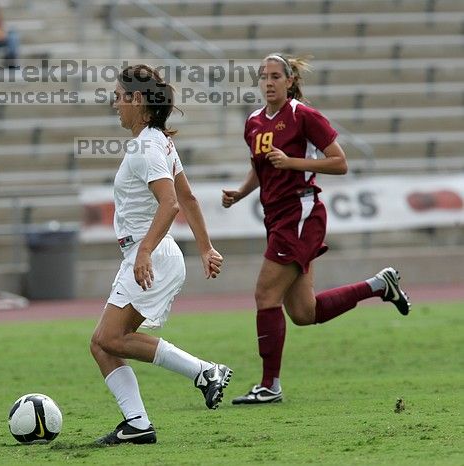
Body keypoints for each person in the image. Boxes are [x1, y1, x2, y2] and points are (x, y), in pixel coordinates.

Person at [221, 53, 412, 405]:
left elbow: (340, 162)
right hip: (276, 217)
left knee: (265, 295)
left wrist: (293, 162)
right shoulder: (254, 122)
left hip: (301, 213)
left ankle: (269, 385)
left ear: (290, 80)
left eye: (276, 76)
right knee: (304, 313)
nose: (268, 82)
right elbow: (260, 168)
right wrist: (241, 191)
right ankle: (378, 285)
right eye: (263, 76)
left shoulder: (304, 116)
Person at [90, 64, 232, 446]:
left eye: (119, 96)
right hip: (148, 253)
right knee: (102, 342)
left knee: (110, 338)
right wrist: (205, 247)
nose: (115, 104)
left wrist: (145, 252)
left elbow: (170, 204)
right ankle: (137, 424)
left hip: (150, 254)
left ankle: (204, 371)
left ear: (137, 100)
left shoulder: (147, 146)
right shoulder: (156, 141)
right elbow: (186, 196)